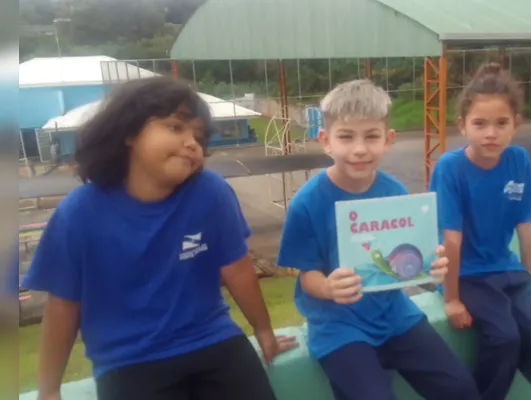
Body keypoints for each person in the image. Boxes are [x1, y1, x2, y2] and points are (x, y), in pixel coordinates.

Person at [22, 76, 296, 400]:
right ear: (129, 132)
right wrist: (49, 389)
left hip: (213, 340)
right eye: (176, 127)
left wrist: (264, 332)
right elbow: (63, 305)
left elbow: (237, 270)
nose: (192, 142)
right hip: (129, 360)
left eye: (198, 135)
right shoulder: (78, 214)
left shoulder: (211, 194)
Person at [276, 79, 480, 400]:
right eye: (346, 137)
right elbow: (307, 275)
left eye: (372, 136)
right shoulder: (308, 202)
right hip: (338, 327)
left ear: (388, 139)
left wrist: (430, 262)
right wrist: (329, 287)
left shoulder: (394, 192)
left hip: (396, 315)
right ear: (326, 141)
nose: (360, 148)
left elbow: (400, 261)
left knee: (461, 389)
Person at [429, 63, 531, 400]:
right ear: (462, 125)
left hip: (507, 269)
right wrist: (450, 299)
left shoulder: (518, 160)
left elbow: (527, 224)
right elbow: (451, 238)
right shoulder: (450, 168)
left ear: (516, 125)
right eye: (479, 124)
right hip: (466, 273)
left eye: (501, 123)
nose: (490, 133)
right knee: (505, 337)